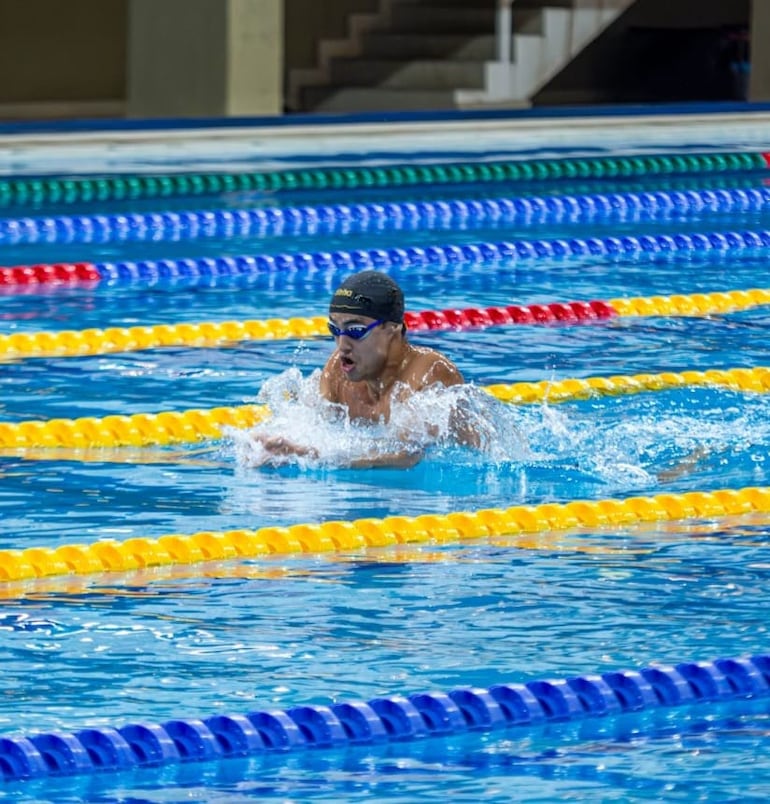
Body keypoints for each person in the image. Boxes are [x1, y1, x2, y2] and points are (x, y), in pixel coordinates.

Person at [254, 270, 478, 467]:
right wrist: (274, 450)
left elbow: (406, 454)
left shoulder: (429, 372)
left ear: (392, 328)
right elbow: (311, 427)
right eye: (335, 329)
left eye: (356, 330)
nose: (342, 345)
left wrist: (314, 455)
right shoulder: (337, 372)